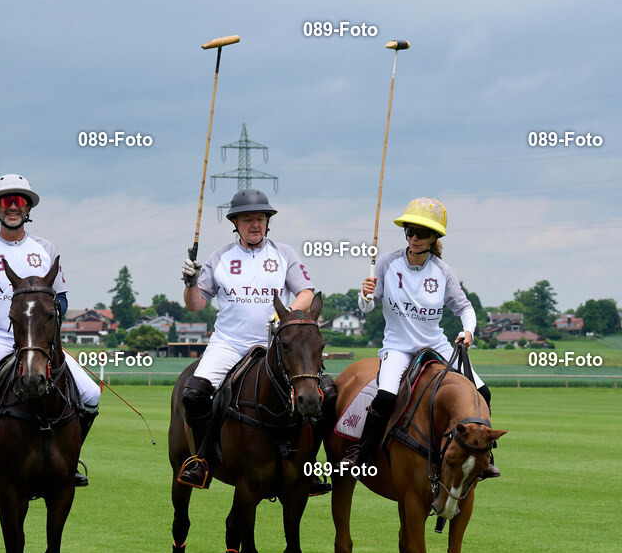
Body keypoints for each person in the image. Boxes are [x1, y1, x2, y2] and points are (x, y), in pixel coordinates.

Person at [176, 189, 329, 491]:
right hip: (229, 344)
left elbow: (306, 293)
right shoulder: (219, 258)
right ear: (235, 223)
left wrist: (284, 318)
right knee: (193, 394)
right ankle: (203, 459)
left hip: (277, 347)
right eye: (248, 219)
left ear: (268, 222)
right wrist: (191, 283)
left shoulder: (284, 254)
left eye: (260, 218)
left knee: (326, 394)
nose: (255, 224)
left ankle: (308, 467)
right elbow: (195, 304)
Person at [0, 174, 100, 483]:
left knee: (91, 394)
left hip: (40, 343)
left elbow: (61, 301)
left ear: (28, 207)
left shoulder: (46, 249)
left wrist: (43, 308)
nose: (13, 207)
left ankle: (71, 458)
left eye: (19, 201)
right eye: (6, 201)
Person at [341, 197, 499, 478]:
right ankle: (360, 451)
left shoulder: (442, 271)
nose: (413, 238)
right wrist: (364, 294)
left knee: (483, 393)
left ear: (433, 237)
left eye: (421, 233)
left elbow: (464, 307)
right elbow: (366, 307)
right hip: (398, 348)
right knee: (386, 397)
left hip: (436, 345)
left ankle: (484, 453)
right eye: (409, 231)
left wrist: (468, 331)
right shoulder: (388, 264)